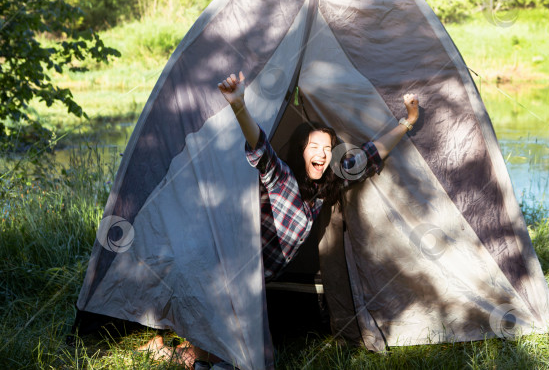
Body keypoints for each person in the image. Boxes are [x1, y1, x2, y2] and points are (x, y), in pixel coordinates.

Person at [139, 71, 420, 369]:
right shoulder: (283, 179)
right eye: (314, 147)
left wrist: (408, 122)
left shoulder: (323, 189)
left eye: (327, 149)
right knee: (248, 362)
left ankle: (178, 350)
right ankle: (181, 351)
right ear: (301, 151)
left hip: (252, 288)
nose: (322, 155)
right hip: (229, 280)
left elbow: (368, 156)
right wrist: (238, 106)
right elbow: (261, 148)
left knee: (240, 358)